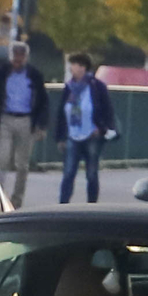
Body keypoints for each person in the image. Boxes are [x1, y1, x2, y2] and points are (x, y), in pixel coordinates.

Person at [0, 40, 47, 203]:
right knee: (2, 159)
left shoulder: (35, 75)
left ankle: (17, 199)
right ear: (10, 57)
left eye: (21, 58)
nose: (18, 61)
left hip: (26, 120)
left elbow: (43, 102)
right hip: (5, 119)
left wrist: (41, 125)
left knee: (22, 164)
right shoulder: (0, 73)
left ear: (26, 57)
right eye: (15, 57)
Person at [57, 53, 117, 203]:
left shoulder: (97, 86)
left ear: (83, 67)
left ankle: (92, 205)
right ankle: (63, 205)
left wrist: (102, 128)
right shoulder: (69, 87)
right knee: (68, 173)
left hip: (92, 135)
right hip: (72, 135)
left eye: (74, 65)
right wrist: (60, 137)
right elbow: (61, 112)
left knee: (91, 174)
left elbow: (107, 110)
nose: (72, 68)